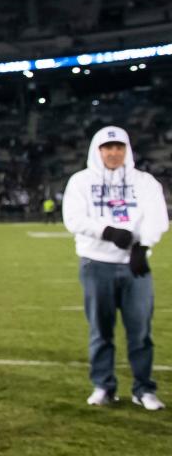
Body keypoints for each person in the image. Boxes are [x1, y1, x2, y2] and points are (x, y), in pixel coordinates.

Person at [63, 126, 168, 411]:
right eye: (107, 148)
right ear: (97, 150)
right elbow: (73, 218)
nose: (113, 152)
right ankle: (103, 386)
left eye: (119, 147)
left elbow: (157, 217)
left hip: (136, 265)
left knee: (140, 332)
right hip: (96, 264)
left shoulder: (144, 182)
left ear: (127, 149)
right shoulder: (81, 181)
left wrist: (142, 247)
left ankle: (143, 389)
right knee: (101, 330)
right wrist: (108, 232)